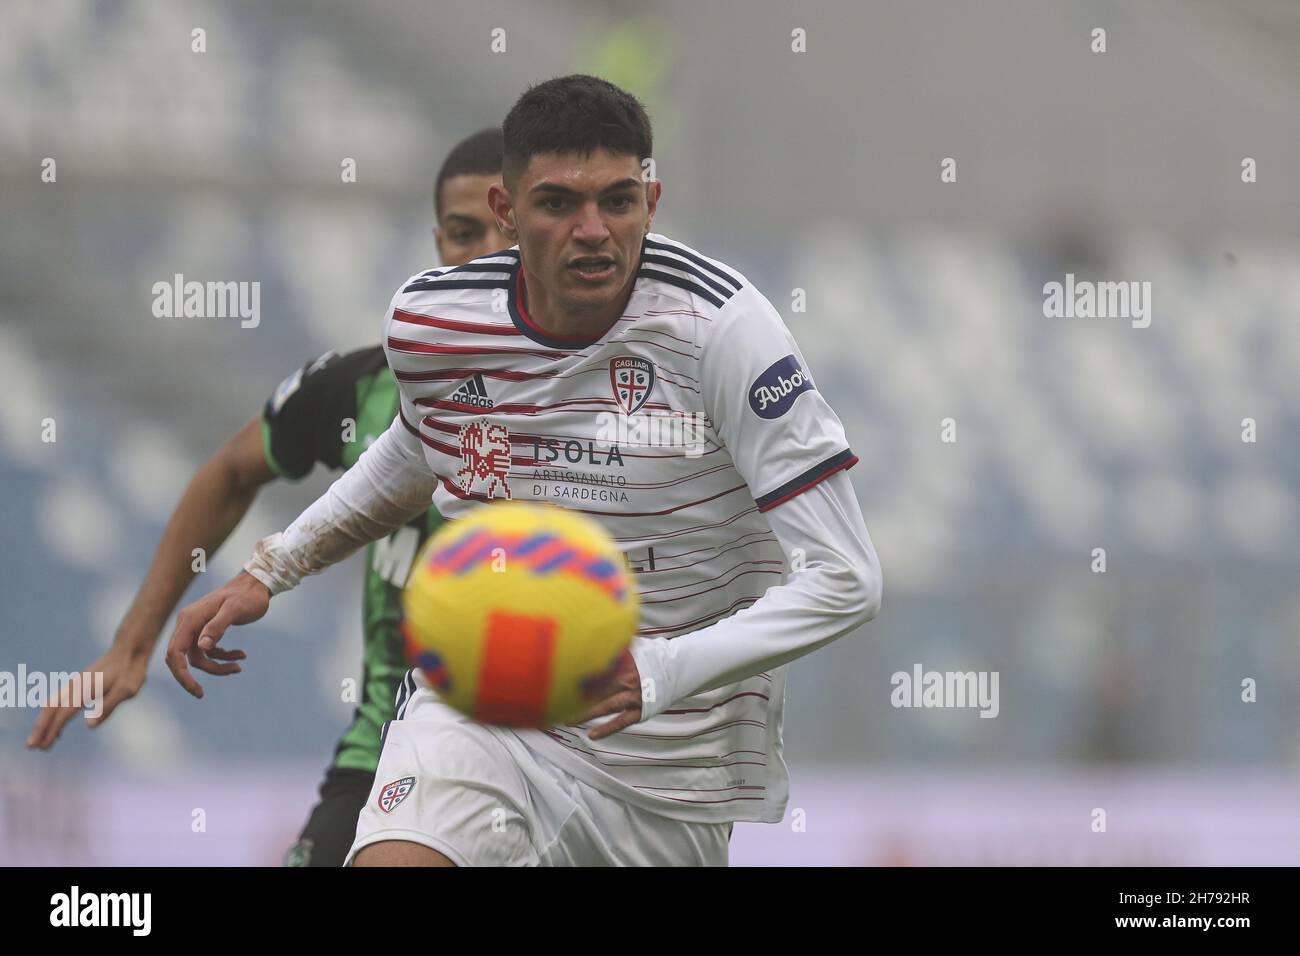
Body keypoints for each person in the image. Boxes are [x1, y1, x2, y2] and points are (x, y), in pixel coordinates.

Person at [166, 75, 883, 867]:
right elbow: (416, 448)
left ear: (652, 201)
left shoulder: (724, 332)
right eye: (557, 204)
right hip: (484, 697)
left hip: (668, 765)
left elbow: (846, 577)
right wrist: (273, 568)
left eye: (618, 200)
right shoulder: (433, 319)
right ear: (507, 214)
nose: (593, 231)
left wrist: (659, 669)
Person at [28, 127, 508, 868]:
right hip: (391, 745)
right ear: (436, 241)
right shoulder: (365, 388)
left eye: (500, 232)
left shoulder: (594, 399)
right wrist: (133, 643)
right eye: (461, 232)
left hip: (555, 749)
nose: (478, 254)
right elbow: (229, 471)